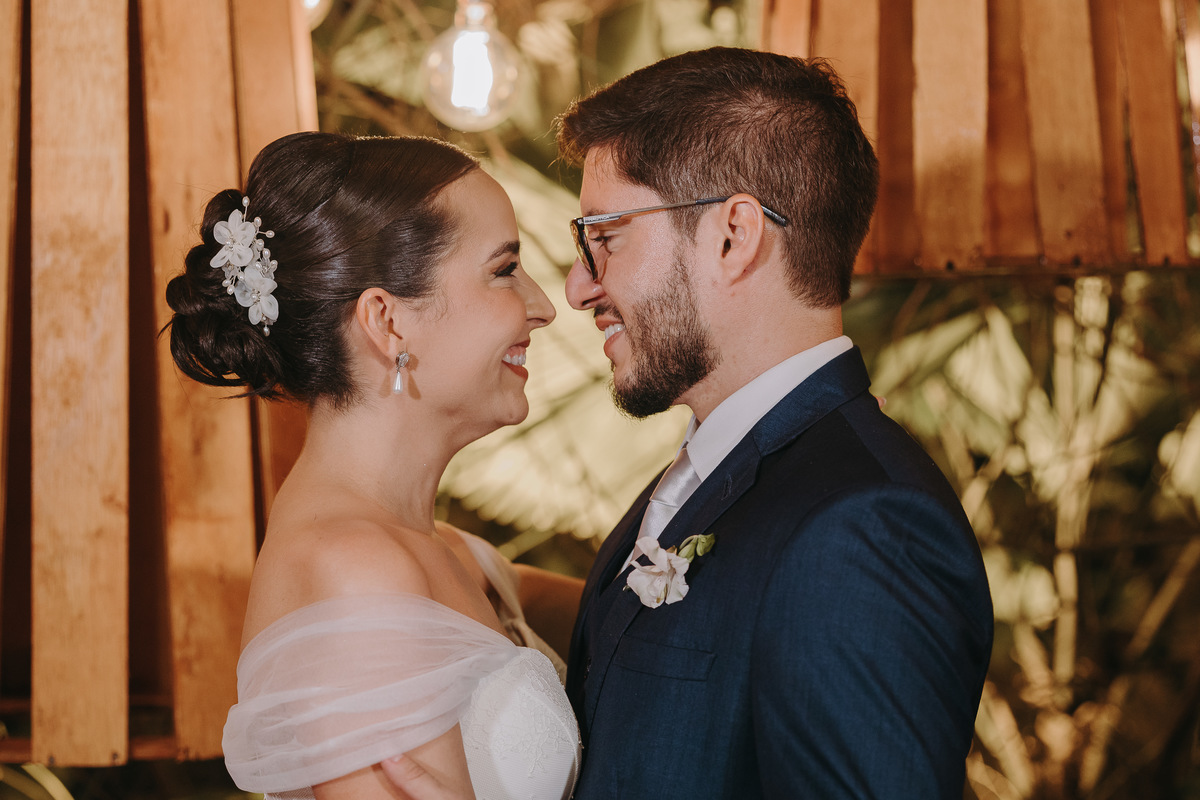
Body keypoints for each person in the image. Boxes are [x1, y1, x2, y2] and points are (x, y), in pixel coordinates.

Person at [554, 47, 994, 798]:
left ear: (734, 235)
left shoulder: (861, 527)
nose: (578, 287)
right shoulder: (719, 472)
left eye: (606, 236)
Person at [164, 131, 583, 800]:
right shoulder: (355, 570)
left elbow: (621, 613)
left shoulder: (454, 553)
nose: (543, 305)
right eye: (504, 269)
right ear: (388, 323)